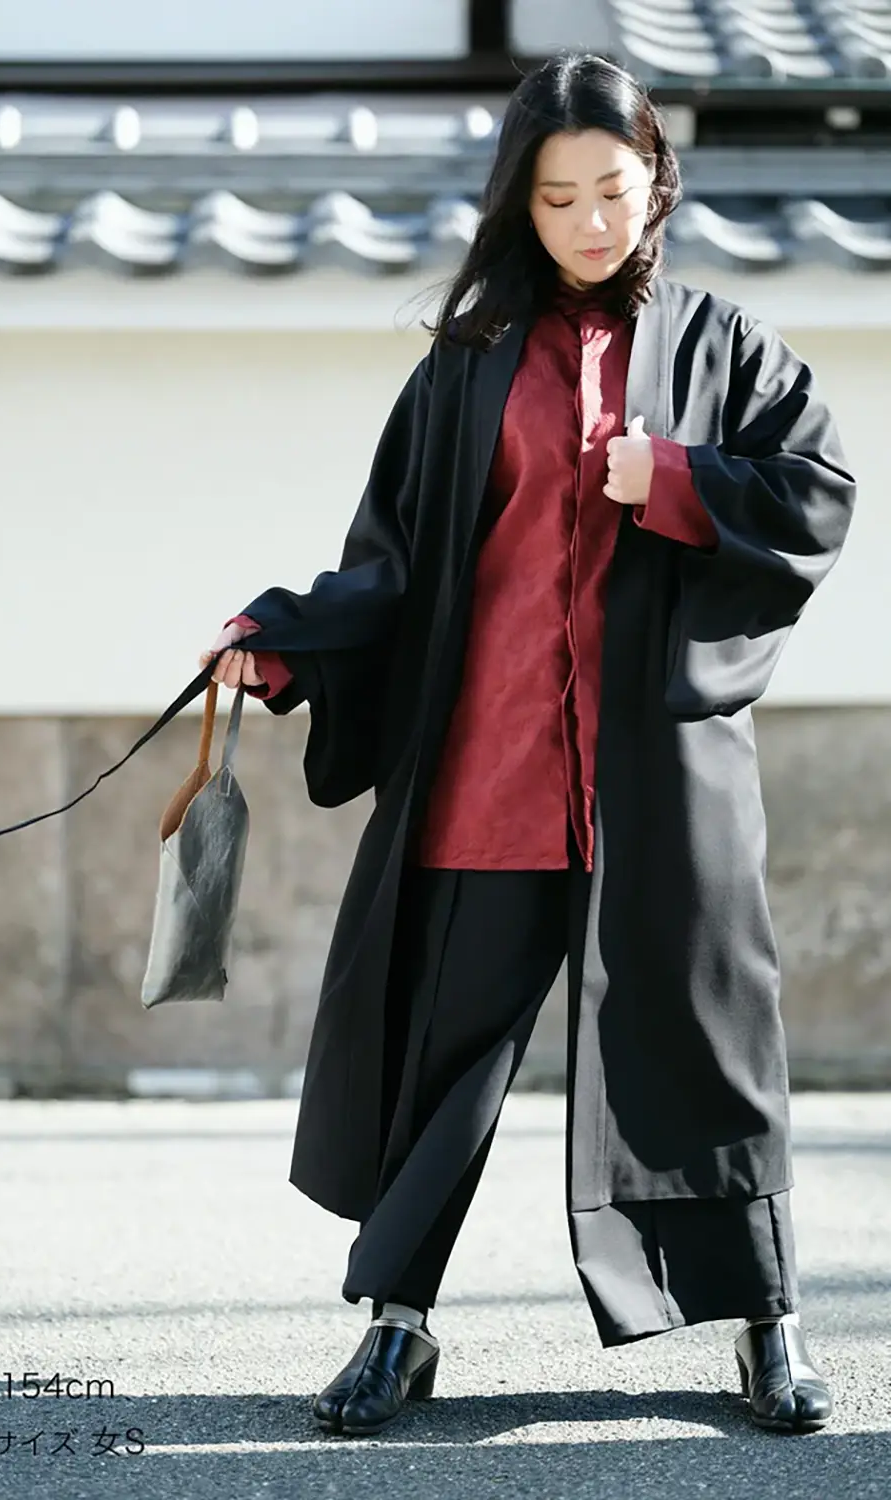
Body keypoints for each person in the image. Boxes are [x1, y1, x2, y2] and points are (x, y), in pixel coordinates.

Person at [200, 53, 855, 1439]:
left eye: (613, 189)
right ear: (520, 204)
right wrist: (286, 641)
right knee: (444, 1059)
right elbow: (389, 564)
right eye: (558, 199)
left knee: (712, 1048)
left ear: (655, 179)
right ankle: (398, 1325)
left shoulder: (725, 344)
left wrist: (677, 479)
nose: (590, 222)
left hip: (658, 784)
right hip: (491, 776)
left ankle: (770, 1326)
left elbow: (816, 495)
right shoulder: (465, 368)